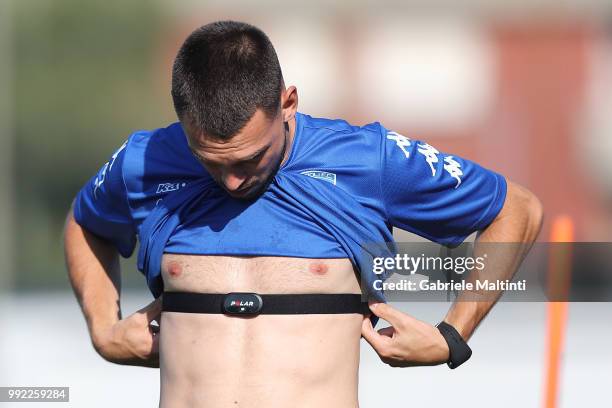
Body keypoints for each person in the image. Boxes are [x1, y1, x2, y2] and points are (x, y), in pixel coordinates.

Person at [63, 20, 543, 407]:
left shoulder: (368, 160)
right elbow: (85, 224)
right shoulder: (144, 161)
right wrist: (104, 331)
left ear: (288, 103)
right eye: (211, 160)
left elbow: (516, 208)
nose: (232, 181)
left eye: (250, 158)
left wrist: (452, 335)